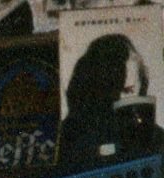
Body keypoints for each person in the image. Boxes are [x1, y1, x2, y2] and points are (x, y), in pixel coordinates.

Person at [59, 33, 164, 165]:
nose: (118, 99)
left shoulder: (158, 140)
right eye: (110, 89)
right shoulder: (66, 139)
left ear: (142, 87)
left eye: (127, 90)